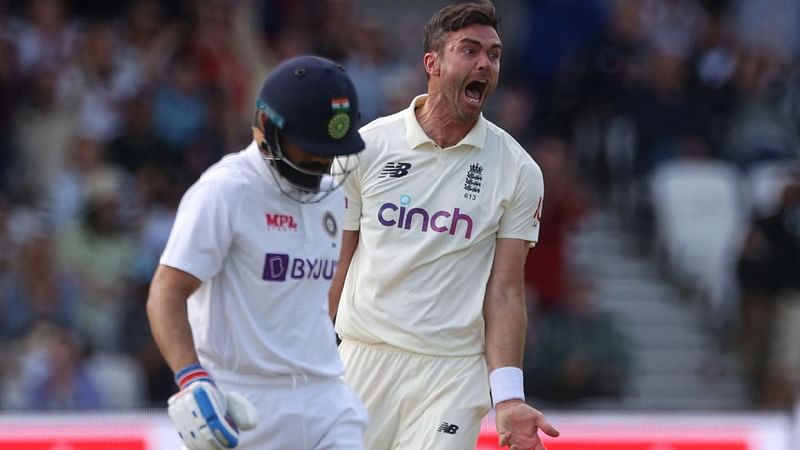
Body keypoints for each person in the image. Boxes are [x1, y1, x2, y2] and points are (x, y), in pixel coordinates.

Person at [329, 2, 560, 449]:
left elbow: (507, 290)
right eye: (469, 51)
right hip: (362, 357)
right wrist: (308, 361)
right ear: (432, 64)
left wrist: (509, 398)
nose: (484, 64)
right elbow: (337, 264)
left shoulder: (518, 169)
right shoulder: (366, 147)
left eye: (493, 55)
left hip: (451, 372)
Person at [147, 55, 368, 450]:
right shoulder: (225, 191)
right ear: (266, 128)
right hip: (240, 402)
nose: (320, 169)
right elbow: (166, 291)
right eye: (309, 153)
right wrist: (191, 377)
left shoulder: (331, 197)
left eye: (329, 155)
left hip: (326, 398)